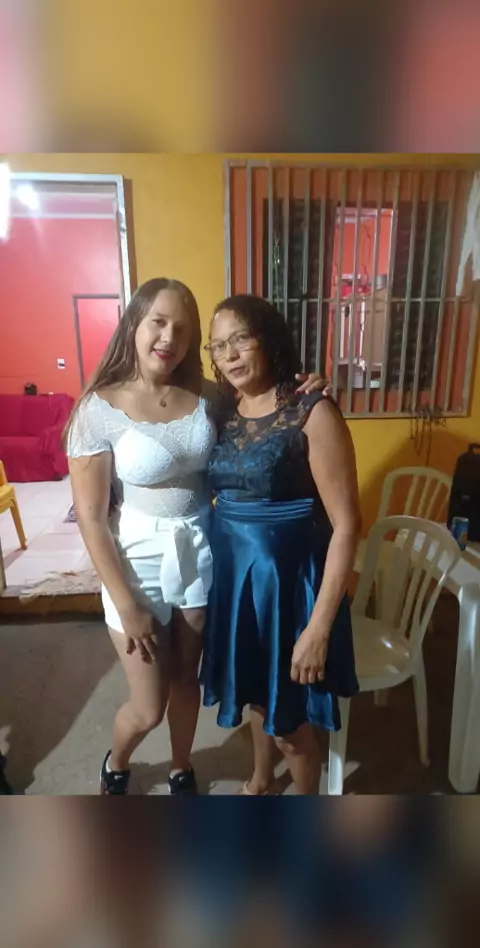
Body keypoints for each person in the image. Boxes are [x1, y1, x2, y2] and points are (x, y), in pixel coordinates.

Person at [65, 278, 325, 795]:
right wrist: (125, 602)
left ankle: (181, 766)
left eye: (183, 328)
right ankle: (117, 760)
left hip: (203, 551)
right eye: (158, 322)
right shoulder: (98, 409)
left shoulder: (210, 396)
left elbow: (266, 408)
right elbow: (91, 517)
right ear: (134, 324)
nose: (169, 337)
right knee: (148, 705)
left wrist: (306, 389)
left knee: (188, 678)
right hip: (134, 562)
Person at [201, 295, 360, 795]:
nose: (229, 354)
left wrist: (319, 628)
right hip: (238, 589)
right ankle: (260, 781)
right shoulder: (222, 410)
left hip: (291, 594)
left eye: (240, 339)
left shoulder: (312, 411)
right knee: (256, 695)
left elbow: (347, 526)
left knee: (290, 725)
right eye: (218, 345)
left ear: (267, 339)